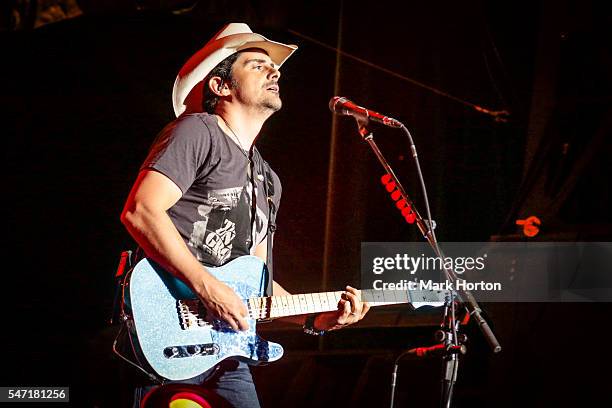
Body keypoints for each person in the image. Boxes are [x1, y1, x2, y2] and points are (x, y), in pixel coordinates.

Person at [120, 22, 370, 407]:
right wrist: (207, 287)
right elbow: (140, 210)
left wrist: (316, 319)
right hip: (166, 331)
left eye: (275, 70)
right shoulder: (197, 131)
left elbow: (257, 287)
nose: (274, 72)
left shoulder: (268, 180)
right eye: (257, 65)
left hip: (226, 350)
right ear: (220, 87)